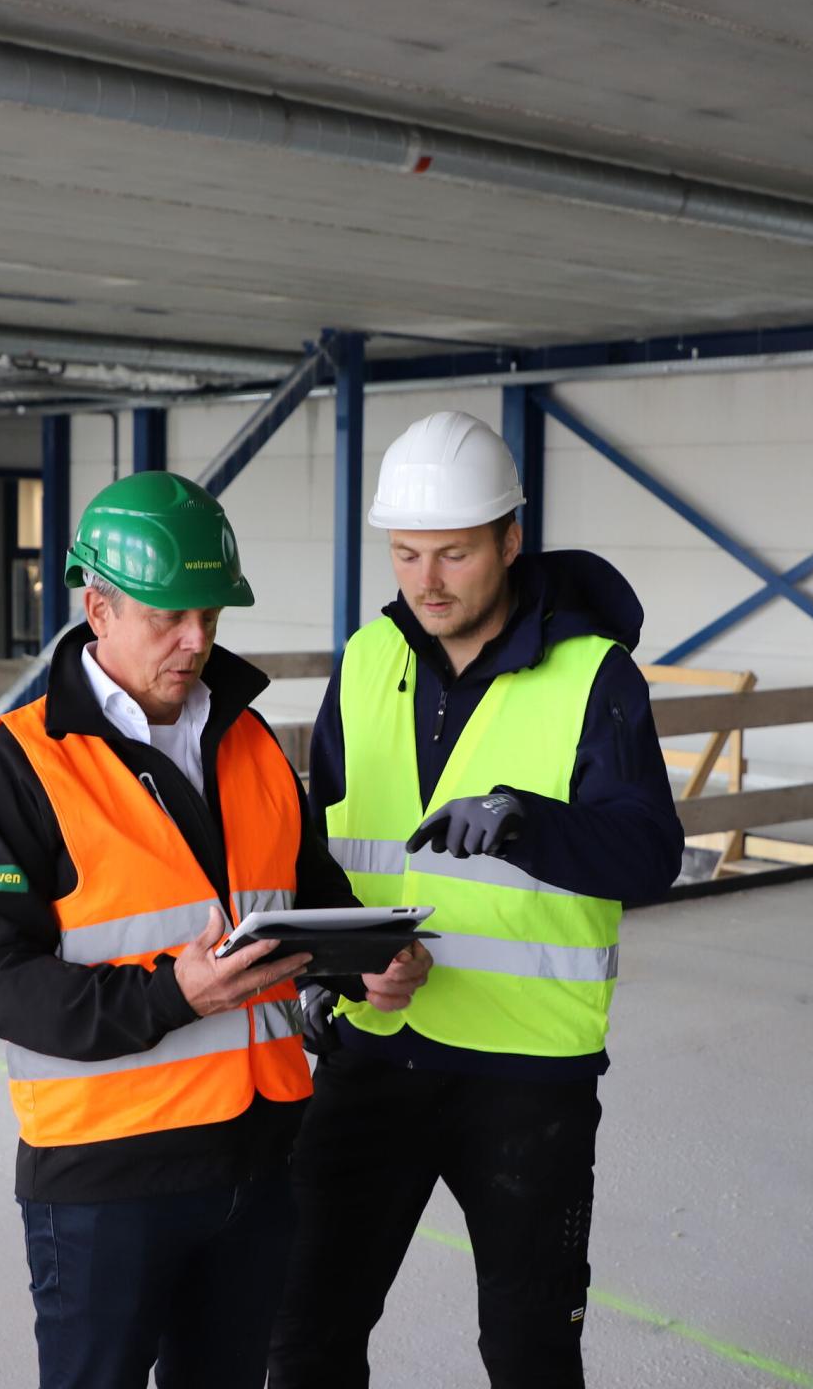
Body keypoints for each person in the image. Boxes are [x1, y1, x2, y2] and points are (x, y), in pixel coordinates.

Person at [0, 470, 429, 1389]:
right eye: (169, 616)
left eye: (209, 613)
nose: (197, 639)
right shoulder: (23, 761)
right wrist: (173, 993)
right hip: (106, 1180)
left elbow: (310, 898)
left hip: (258, 1160)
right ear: (98, 608)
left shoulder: (250, 742)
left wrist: (364, 965)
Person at [269, 411, 684, 1389]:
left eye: (453, 553)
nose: (426, 580)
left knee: (529, 1351)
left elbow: (649, 853)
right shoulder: (367, 660)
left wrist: (527, 821)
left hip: (527, 1077)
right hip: (372, 1052)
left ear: (509, 538)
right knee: (300, 1334)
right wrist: (329, 971)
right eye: (406, 554)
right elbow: (325, 845)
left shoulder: (594, 677)